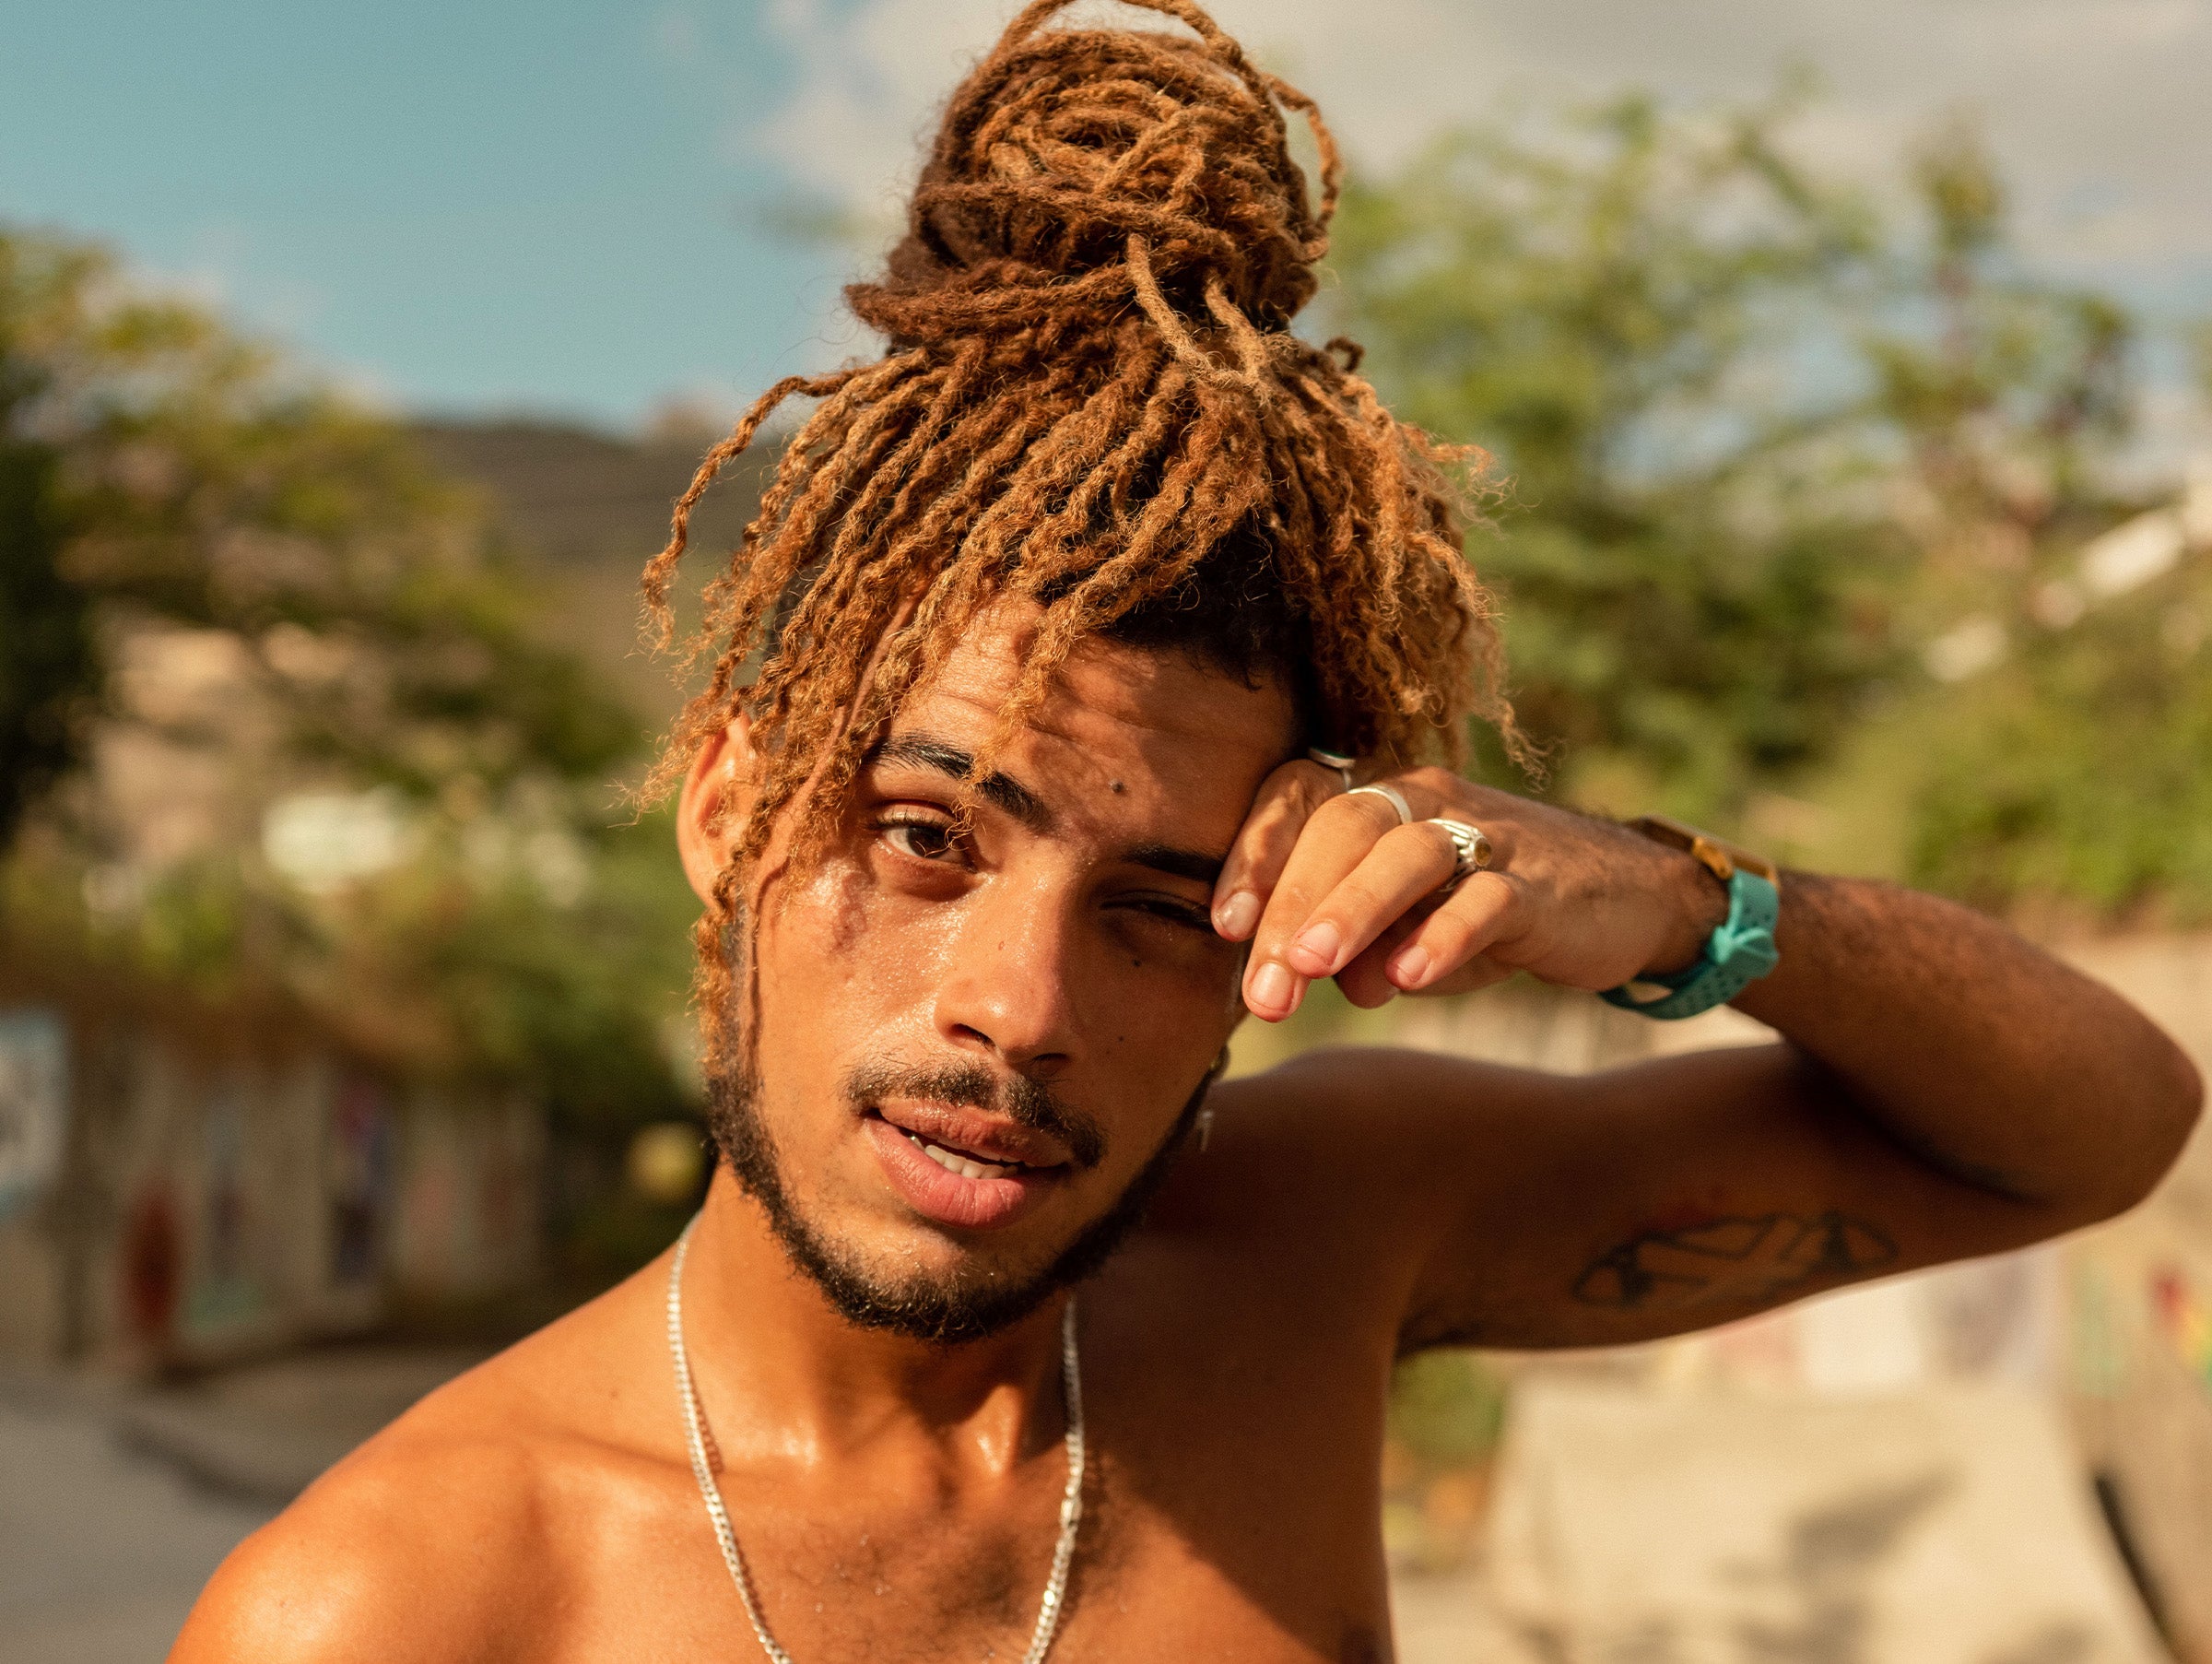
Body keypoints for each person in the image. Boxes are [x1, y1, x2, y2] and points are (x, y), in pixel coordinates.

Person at [171, 2, 2201, 1658]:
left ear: (1273, 930)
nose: (1019, 1006)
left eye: (1159, 909)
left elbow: (2100, 1128)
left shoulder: (1303, 1254)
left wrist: (1684, 908)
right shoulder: (400, 1609)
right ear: (724, 815)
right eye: (926, 838)